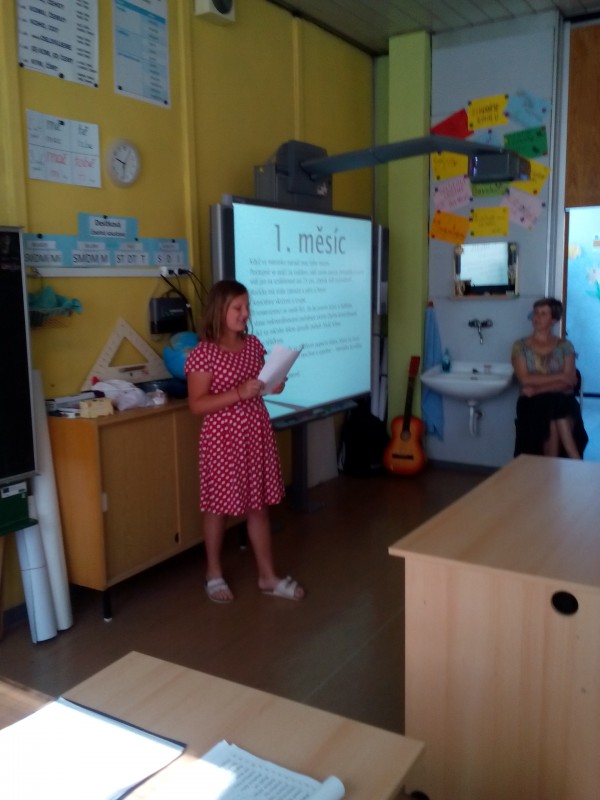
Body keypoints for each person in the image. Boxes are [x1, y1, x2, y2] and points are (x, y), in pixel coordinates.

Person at [184, 279, 304, 603]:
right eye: (237, 307)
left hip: (255, 433)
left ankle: (267, 576)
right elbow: (197, 404)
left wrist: (273, 385)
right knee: (217, 508)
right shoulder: (204, 353)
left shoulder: (252, 345)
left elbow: (259, 385)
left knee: (258, 506)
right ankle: (213, 573)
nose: (245, 313)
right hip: (222, 440)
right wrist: (238, 393)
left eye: (247, 306)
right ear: (219, 310)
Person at [511, 297, 588, 459]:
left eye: (543, 314)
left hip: (559, 398)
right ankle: (575, 459)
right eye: (535, 313)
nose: (537, 317)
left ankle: (552, 465)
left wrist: (537, 388)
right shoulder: (520, 346)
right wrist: (561, 376)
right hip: (532, 402)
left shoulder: (565, 346)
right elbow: (525, 379)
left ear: (553, 320)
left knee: (555, 409)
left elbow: (570, 382)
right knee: (553, 410)